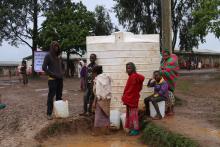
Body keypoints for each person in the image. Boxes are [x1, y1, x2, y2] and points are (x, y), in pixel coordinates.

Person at [42, 41, 64, 120]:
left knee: (59, 96)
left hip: (60, 79)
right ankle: (49, 113)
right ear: (51, 47)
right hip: (52, 80)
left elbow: (62, 66)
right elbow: (44, 67)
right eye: (55, 46)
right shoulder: (48, 56)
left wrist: (62, 73)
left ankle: (59, 112)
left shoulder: (59, 57)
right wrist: (53, 74)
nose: (56, 48)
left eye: (57, 46)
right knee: (51, 97)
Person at [122, 62, 145, 136]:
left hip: (131, 98)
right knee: (131, 114)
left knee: (133, 115)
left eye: (130, 68)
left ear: (133, 68)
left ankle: (136, 130)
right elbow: (138, 87)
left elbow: (130, 89)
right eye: (127, 68)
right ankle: (132, 128)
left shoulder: (133, 77)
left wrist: (125, 96)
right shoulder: (135, 76)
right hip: (133, 98)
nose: (128, 70)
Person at [92, 66, 112, 135]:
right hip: (107, 99)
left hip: (100, 99)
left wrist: (94, 102)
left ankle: (96, 132)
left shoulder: (98, 79)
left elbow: (98, 92)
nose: (92, 75)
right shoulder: (106, 77)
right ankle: (107, 131)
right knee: (106, 114)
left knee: (98, 115)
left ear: (95, 73)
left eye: (93, 73)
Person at [160, 48, 179, 115]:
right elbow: (162, 69)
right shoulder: (164, 61)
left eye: (166, 55)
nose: (164, 57)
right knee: (166, 96)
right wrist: (162, 70)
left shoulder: (172, 61)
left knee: (170, 96)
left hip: (170, 82)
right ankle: (168, 109)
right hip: (165, 82)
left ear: (169, 55)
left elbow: (170, 70)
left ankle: (172, 110)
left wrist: (162, 71)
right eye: (163, 55)